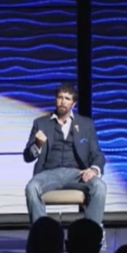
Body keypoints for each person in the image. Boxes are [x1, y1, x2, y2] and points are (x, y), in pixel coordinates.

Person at [23, 82, 107, 229]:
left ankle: (91, 233)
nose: (63, 101)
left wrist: (93, 170)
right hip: (48, 173)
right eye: (60, 97)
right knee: (32, 187)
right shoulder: (41, 123)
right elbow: (27, 156)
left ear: (73, 104)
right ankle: (42, 234)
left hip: (77, 174)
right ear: (55, 100)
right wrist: (37, 145)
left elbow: (97, 154)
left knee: (99, 186)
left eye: (67, 98)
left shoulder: (86, 124)